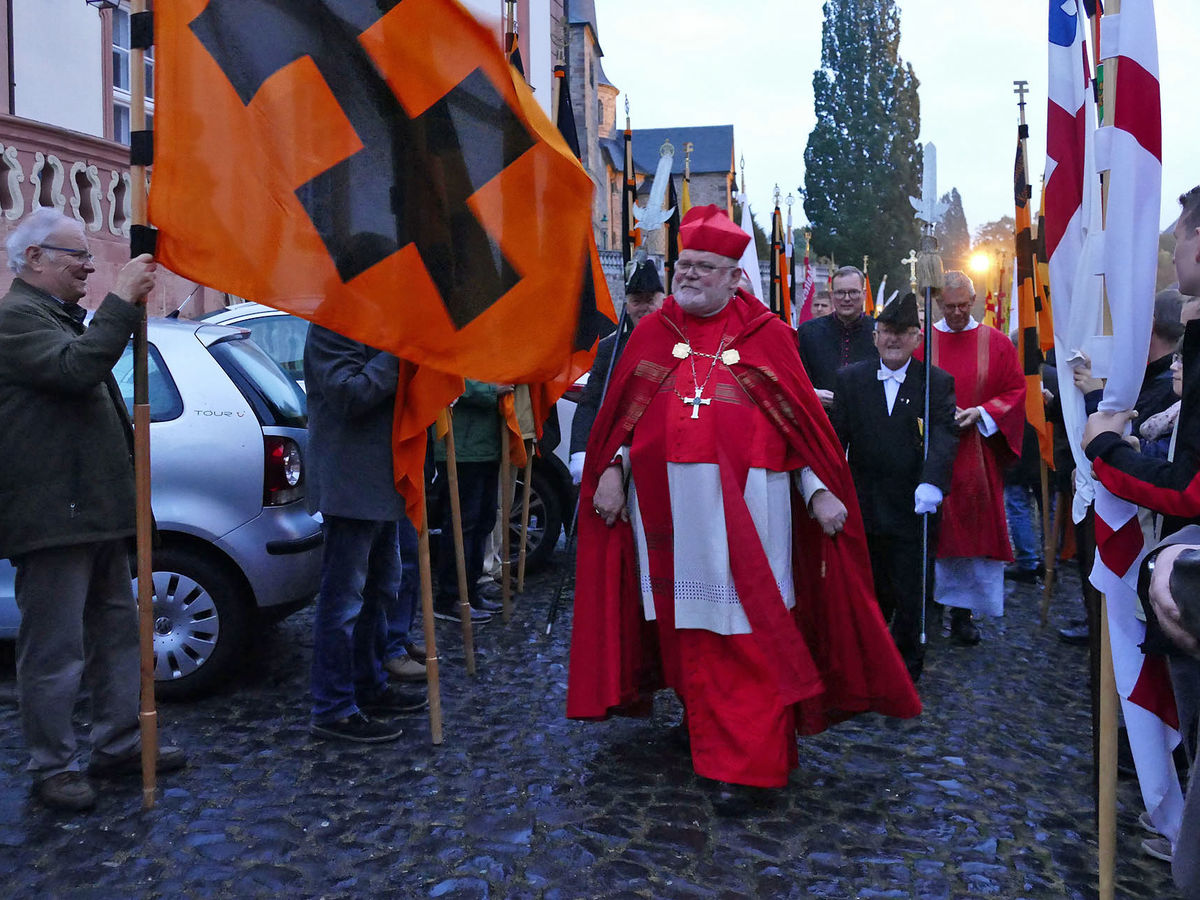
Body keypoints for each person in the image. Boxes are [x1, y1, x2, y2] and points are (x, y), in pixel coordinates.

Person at [566, 205, 920, 789]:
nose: (690, 275)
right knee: (688, 633)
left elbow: (799, 430)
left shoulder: (770, 339)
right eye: (684, 264)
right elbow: (623, 420)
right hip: (669, 516)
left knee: (751, 635)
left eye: (706, 266)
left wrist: (819, 491)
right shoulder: (651, 334)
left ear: (736, 278)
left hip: (752, 515)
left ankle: (748, 764)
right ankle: (708, 725)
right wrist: (611, 468)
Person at [0, 208, 186, 810]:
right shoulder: (13, 320)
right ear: (33, 259)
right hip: (54, 518)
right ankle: (53, 766)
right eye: (74, 255)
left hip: (96, 511)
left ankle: (117, 745)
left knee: (115, 636)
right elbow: (76, 371)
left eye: (86, 255)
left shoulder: (56, 316)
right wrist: (123, 300)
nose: (87, 265)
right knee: (54, 652)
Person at [304, 325, 428, 744]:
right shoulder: (332, 323)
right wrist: (401, 353)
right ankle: (333, 707)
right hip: (349, 486)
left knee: (380, 591)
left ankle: (368, 684)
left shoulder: (376, 319)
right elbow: (347, 394)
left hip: (380, 483)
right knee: (343, 602)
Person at [830, 293, 958, 679]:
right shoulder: (850, 379)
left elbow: (944, 435)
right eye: (886, 331)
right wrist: (830, 487)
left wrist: (933, 482)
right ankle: (867, 655)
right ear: (875, 335)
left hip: (913, 503)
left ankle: (906, 663)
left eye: (902, 333)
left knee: (910, 588)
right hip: (865, 500)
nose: (893, 339)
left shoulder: (935, 383)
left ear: (918, 338)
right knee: (869, 586)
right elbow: (839, 438)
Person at [924, 271, 1026, 644]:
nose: (956, 313)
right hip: (929, 448)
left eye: (963, 306)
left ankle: (962, 614)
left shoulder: (995, 343)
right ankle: (927, 607)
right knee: (928, 531)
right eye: (949, 307)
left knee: (968, 534)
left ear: (974, 301)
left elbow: (1015, 390)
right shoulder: (924, 341)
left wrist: (981, 413)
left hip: (975, 455)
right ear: (938, 304)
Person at [569, 258, 665, 484]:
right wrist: (580, 454)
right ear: (627, 305)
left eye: (650, 300)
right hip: (617, 456)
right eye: (636, 300)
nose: (644, 307)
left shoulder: (679, 346)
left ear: (663, 301)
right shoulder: (609, 350)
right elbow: (590, 403)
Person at [433, 380, 508, 622]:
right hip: (461, 446)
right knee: (462, 525)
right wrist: (491, 389)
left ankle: (470, 591)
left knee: (483, 522)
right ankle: (450, 598)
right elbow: (451, 378)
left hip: (485, 444)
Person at [796, 266, 878, 409]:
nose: (847, 299)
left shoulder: (879, 331)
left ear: (864, 294)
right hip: (821, 418)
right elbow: (796, 377)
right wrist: (811, 393)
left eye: (853, 292)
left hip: (867, 418)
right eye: (840, 293)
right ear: (832, 295)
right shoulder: (808, 332)